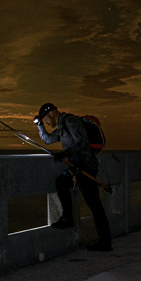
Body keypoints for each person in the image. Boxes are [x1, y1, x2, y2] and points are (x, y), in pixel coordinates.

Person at [34, 102, 113, 252]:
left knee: (94, 205)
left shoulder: (70, 121)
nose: (46, 123)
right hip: (76, 168)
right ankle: (68, 218)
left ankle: (105, 242)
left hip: (86, 167)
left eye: (45, 120)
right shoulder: (62, 126)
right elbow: (49, 140)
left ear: (51, 113)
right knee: (62, 182)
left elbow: (82, 143)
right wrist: (39, 126)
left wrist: (65, 153)